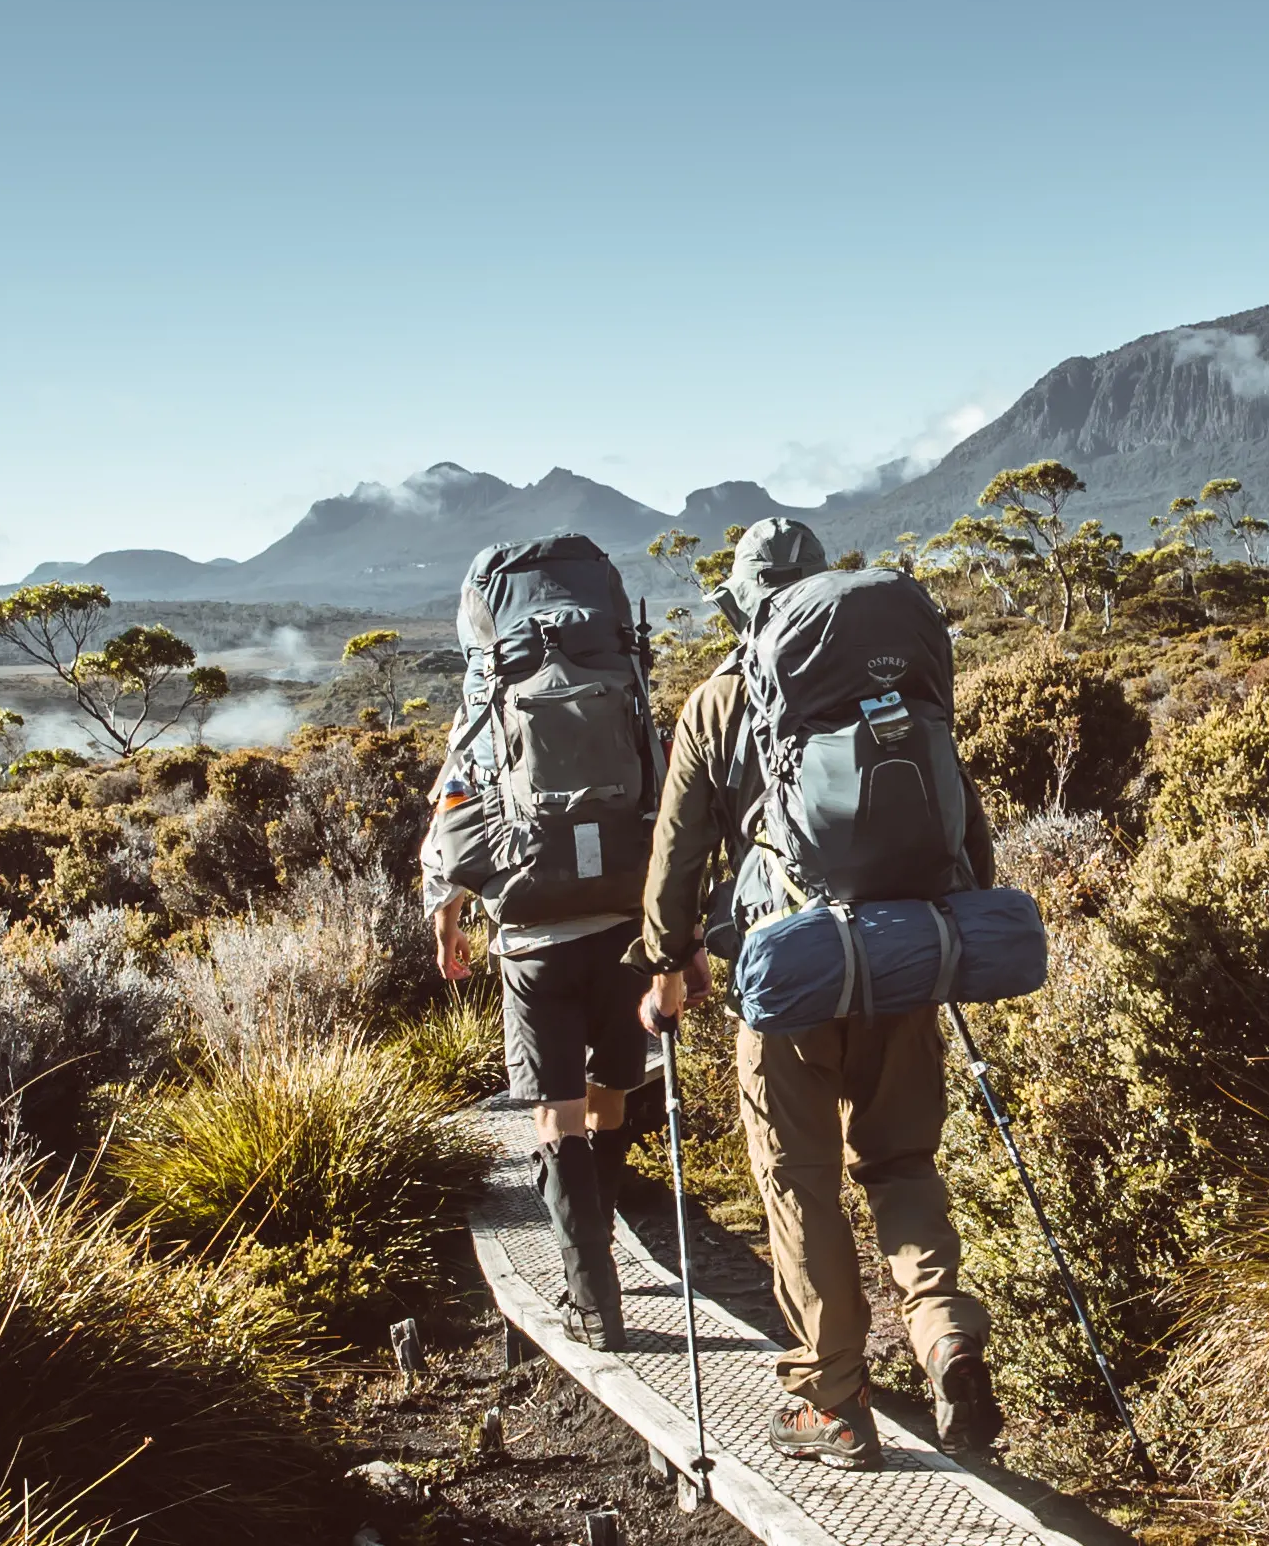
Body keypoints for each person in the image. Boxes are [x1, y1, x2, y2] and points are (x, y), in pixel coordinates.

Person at [631, 517, 1004, 1469]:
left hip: (790, 978)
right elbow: (966, 826)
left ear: (743, 598)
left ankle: (828, 1403)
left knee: (801, 1187)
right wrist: (947, 931)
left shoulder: (719, 704)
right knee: (903, 1162)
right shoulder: (894, 678)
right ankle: (947, 1333)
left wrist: (666, 964)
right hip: (905, 959)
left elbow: (675, 857)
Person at [419, 554, 654, 1354]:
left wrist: (448, 916)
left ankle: (592, 1296)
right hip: (625, 922)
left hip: (532, 939)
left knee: (556, 1110)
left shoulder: (489, 690)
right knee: (613, 1090)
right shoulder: (623, 677)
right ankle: (603, 1232)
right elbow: (662, 790)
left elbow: (454, 817)